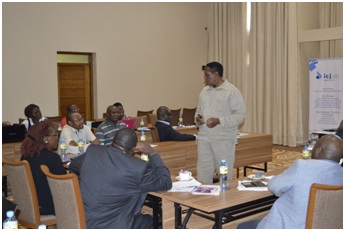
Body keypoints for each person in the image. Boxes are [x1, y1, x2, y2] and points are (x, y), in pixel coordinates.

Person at [69, 127, 172, 229]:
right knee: (159, 220)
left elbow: (73, 166)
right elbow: (166, 182)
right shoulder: (137, 167)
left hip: (83, 220)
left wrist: (87, 184)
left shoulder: (93, 151)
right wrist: (152, 153)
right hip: (116, 224)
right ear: (134, 149)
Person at [237, 134, 343, 229]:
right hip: (324, 226)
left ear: (318, 150)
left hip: (289, 225)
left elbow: (274, 186)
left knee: (242, 226)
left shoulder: (302, 166)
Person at [195, 62, 246, 183]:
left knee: (224, 176)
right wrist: (198, 118)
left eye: (207, 75)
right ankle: (203, 201)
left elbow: (240, 116)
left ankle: (225, 200)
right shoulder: (204, 92)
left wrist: (219, 121)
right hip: (204, 139)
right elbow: (198, 111)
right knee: (203, 173)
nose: (205, 78)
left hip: (223, 141)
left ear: (216, 74)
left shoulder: (231, 91)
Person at [20, 121, 66, 215]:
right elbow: (64, 187)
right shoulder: (53, 158)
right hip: (49, 207)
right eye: (55, 136)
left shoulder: (25, 156)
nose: (57, 139)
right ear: (45, 139)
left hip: (28, 205)